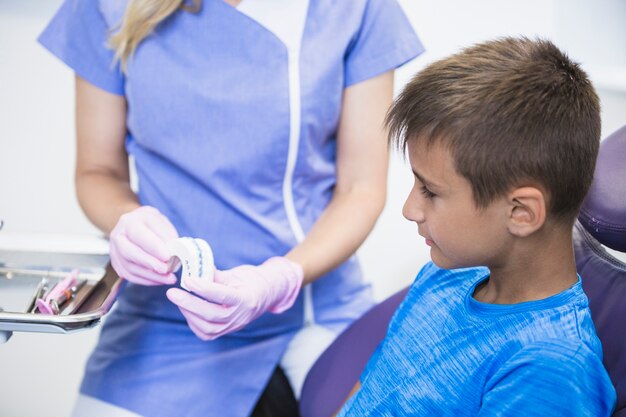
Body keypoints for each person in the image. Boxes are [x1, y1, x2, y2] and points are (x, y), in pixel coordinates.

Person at [38, 0, 423, 416]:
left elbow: (360, 189)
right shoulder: (106, 6)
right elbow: (97, 171)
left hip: (312, 309)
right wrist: (128, 221)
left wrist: (280, 278)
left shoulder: (355, 9)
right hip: (165, 318)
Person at [338, 37, 617, 416]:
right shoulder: (447, 272)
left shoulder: (546, 370)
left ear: (520, 212)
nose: (409, 209)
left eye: (430, 191)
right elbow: (371, 389)